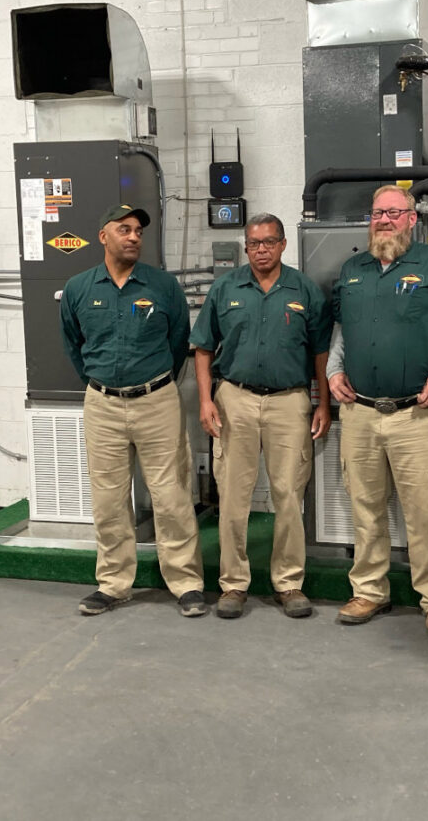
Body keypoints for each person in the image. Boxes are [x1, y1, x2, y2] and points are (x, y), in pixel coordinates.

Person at [328, 185, 428, 639]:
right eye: (377, 213)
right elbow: (341, 329)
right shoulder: (352, 270)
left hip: (417, 414)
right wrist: (333, 371)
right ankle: (369, 590)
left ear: (413, 218)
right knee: (365, 507)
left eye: (394, 212)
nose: (384, 220)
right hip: (361, 414)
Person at [60, 204, 207, 618]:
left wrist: (153, 383)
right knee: (108, 500)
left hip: (157, 400)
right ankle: (112, 584)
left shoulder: (162, 287)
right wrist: (101, 382)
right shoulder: (78, 288)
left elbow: (179, 342)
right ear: (103, 236)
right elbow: (74, 345)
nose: (134, 237)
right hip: (102, 404)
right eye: (124, 230)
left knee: (171, 495)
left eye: (139, 231)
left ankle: (185, 582)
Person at [190, 213, 331, 620]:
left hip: (290, 402)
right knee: (234, 496)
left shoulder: (304, 290)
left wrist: (321, 402)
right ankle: (233, 584)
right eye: (254, 243)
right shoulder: (225, 288)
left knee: (288, 495)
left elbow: (320, 351)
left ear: (283, 244)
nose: (261, 249)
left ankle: (288, 583)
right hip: (235, 399)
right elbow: (202, 348)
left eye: (269, 242)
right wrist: (205, 401)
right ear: (246, 246)